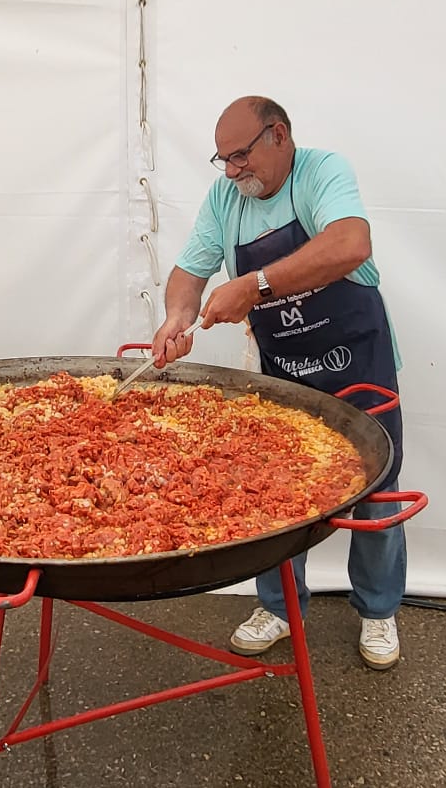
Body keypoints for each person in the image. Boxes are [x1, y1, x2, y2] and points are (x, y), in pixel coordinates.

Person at [150, 96, 407, 670]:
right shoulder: (225, 197)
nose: (234, 171)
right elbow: (190, 272)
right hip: (286, 370)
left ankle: (378, 610)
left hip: (356, 363)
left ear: (279, 136)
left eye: (241, 156)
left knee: (377, 492)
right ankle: (280, 607)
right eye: (224, 161)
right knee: (274, 497)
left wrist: (255, 286)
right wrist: (176, 316)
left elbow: (350, 245)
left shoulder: (323, 171)